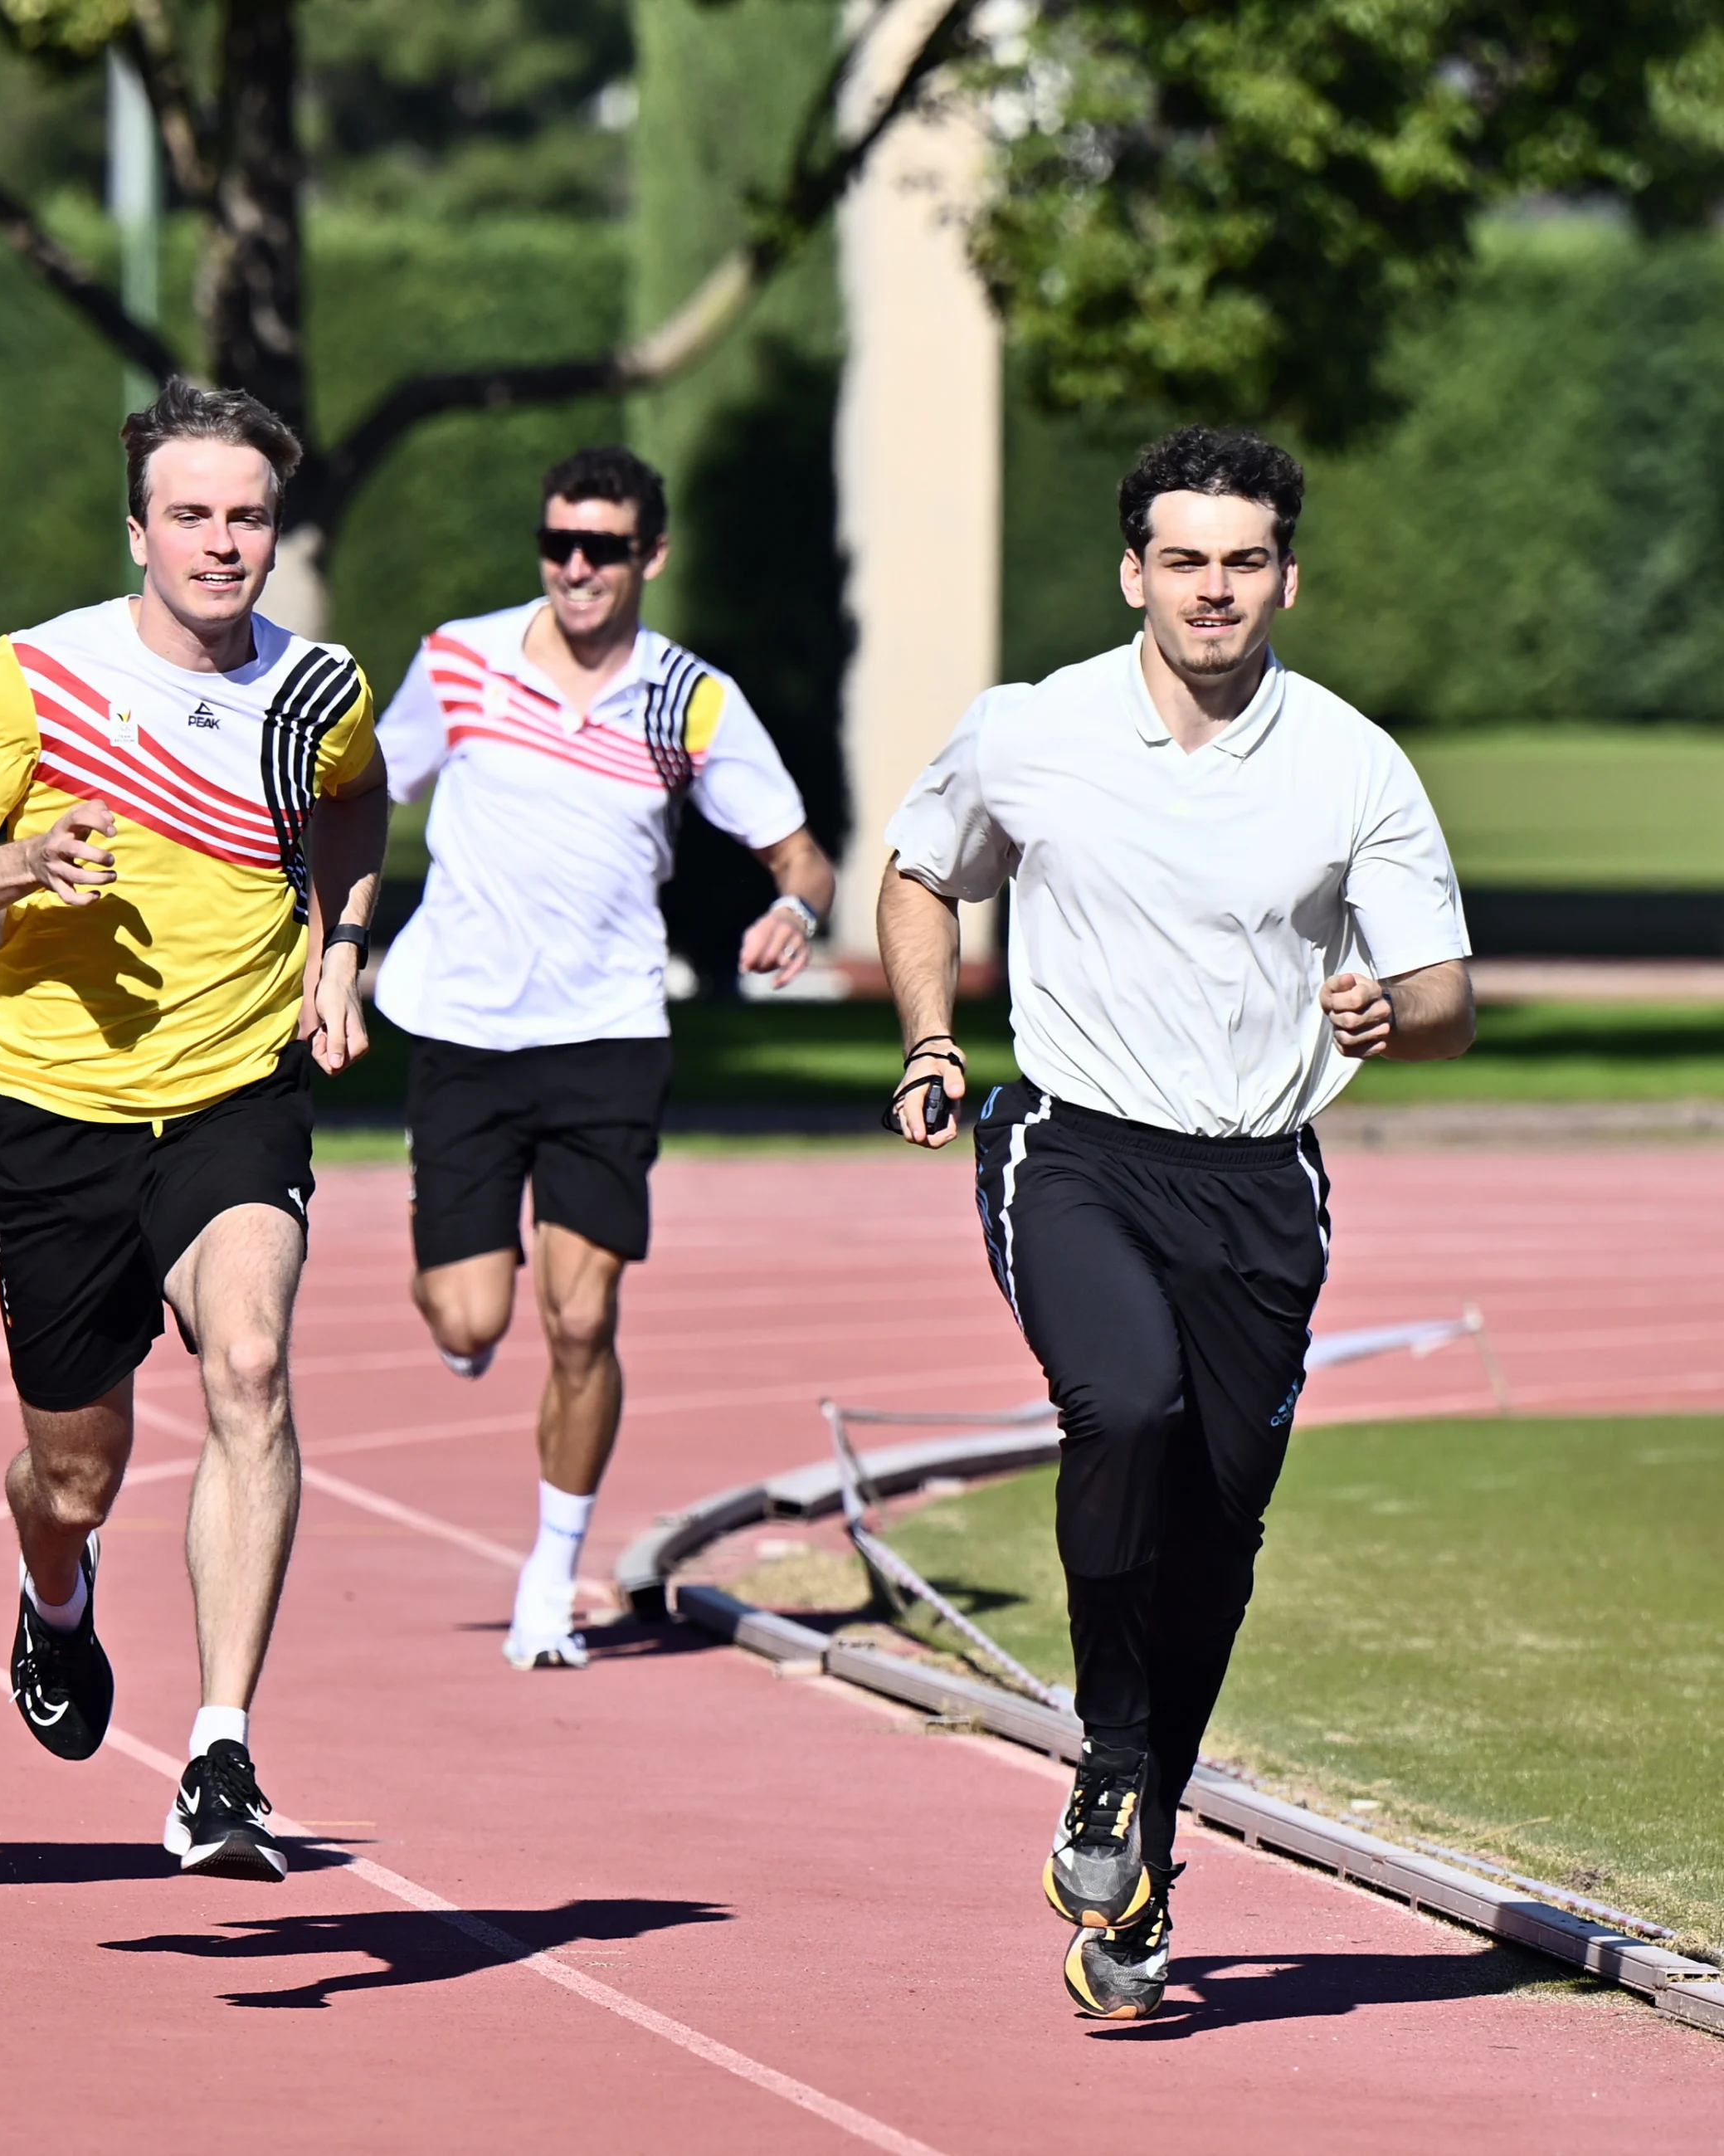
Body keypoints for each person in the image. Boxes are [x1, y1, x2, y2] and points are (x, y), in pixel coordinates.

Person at [876, 426, 1473, 2019]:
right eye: (1186, 559)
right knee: (1122, 1401)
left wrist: (1384, 1012)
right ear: (1133, 569)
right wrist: (937, 1041)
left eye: (1247, 560)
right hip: (1070, 1146)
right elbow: (923, 874)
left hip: (1262, 1180)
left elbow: (1448, 998)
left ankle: (1143, 1834)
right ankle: (1110, 1758)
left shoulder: (1353, 760)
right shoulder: (1033, 730)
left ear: (1289, 574)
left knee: (1217, 1532)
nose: (1217, 589)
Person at [0, 379, 385, 1885]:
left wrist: (339, 944)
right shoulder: (39, 678)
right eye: (193, 516)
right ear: (139, 531)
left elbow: (354, 808)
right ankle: (53, 1589)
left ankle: (218, 1750)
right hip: (55, 1111)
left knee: (249, 1363)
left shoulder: (318, 688)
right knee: (78, 1469)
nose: (222, 543)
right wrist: (26, 857)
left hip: (235, 1095)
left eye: (246, 516)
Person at [372, 444, 835, 1671]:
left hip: (608, 1038)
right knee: (468, 1318)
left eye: (603, 548)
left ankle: (550, 1571)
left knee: (582, 1319)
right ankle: (464, 1299)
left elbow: (801, 854)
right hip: (464, 1030)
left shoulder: (692, 699)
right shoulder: (459, 659)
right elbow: (361, 791)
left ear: (649, 558)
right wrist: (336, 942)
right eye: (558, 544)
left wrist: (796, 909)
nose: (576, 568)